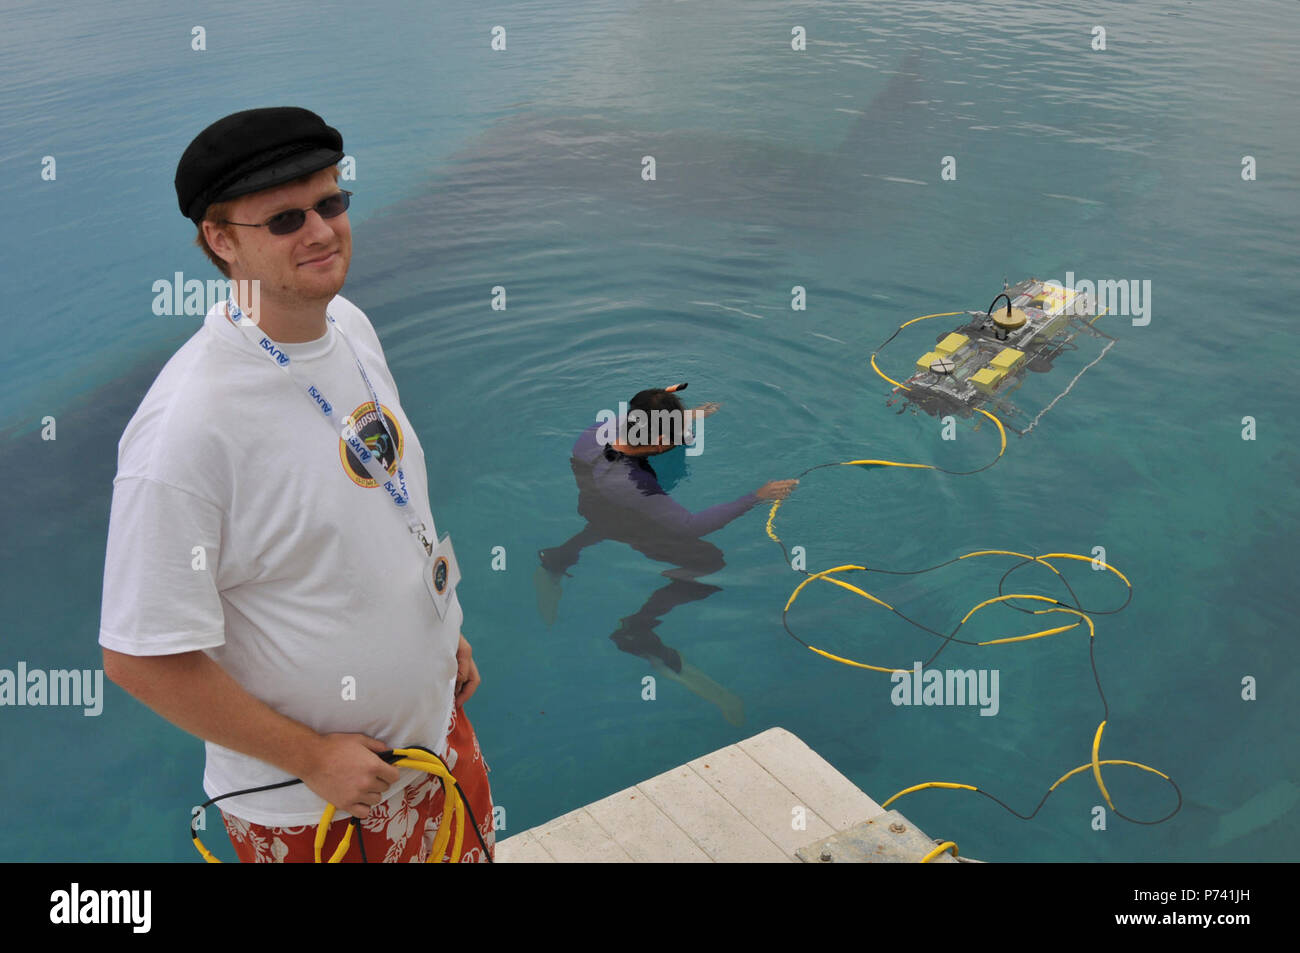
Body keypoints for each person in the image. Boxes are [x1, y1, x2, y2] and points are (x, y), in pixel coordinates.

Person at [98, 106, 493, 862]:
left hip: (434, 746)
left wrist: (441, 631)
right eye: (284, 219)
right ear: (220, 239)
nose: (320, 230)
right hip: (316, 806)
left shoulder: (348, 326)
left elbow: (370, 511)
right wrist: (313, 756)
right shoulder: (186, 429)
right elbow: (139, 657)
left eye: (331, 202)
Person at [535, 385, 796, 723]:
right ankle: (637, 628)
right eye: (677, 437)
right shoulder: (633, 484)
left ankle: (559, 557)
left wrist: (673, 406)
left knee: (607, 520)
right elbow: (689, 526)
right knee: (709, 561)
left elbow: (642, 410)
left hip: (591, 500)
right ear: (659, 444)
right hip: (619, 509)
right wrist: (755, 497)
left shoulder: (600, 431)